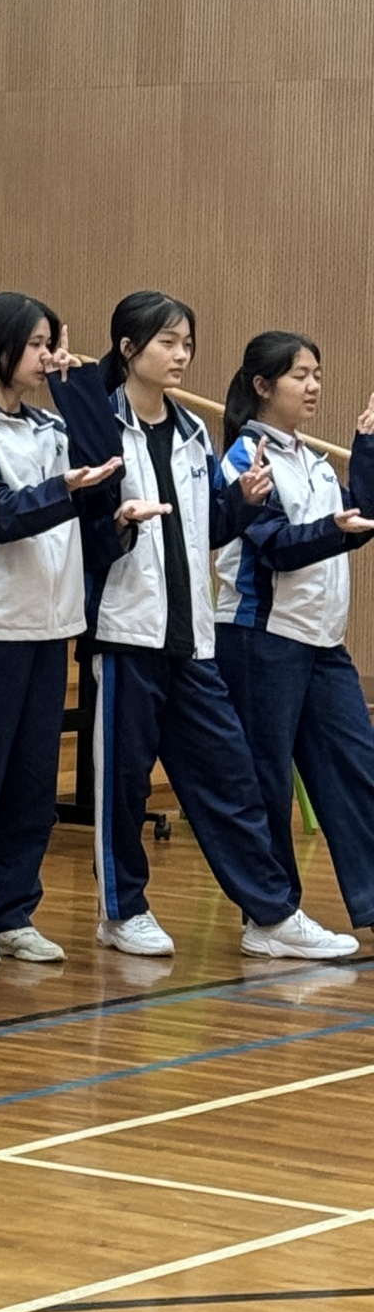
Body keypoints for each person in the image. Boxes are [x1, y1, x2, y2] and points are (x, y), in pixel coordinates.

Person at [51, 293, 357, 966]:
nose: (181, 354)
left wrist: (238, 505)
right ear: (128, 349)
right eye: (167, 342)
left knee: (232, 779)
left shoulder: (192, 432)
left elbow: (206, 530)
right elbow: (88, 528)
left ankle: (271, 916)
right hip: (126, 632)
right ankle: (122, 910)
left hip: (193, 639)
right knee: (124, 785)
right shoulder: (102, 426)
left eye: (186, 343)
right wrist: (118, 521)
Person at [0, 293, 121, 966]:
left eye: (51, 345)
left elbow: (106, 464)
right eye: (37, 346)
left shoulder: (49, 424)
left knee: (34, 780)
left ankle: (15, 911)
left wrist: (76, 388)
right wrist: (63, 491)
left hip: (52, 621)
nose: (47, 357)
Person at [216, 332, 374, 944]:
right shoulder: (244, 458)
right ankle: (270, 917)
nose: (313, 386)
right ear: (262, 385)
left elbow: (355, 522)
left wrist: (367, 447)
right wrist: (334, 529)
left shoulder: (313, 459)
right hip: (260, 638)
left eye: (317, 374)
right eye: (299, 375)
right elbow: (276, 547)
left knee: (357, 767)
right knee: (267, 781)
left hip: (321, 642)